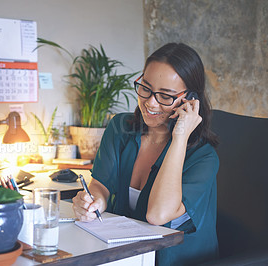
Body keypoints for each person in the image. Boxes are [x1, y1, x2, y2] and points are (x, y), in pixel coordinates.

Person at [72, 43, 219, 265]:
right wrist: (94, 203)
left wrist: (179, 137)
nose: (150, 102)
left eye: (166, 96)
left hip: (176, 260)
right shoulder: (120, 128)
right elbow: (101, 185)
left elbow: (157, 215)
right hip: (126, 255)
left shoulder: (204, 158)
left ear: (190, 99)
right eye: (146, 88)